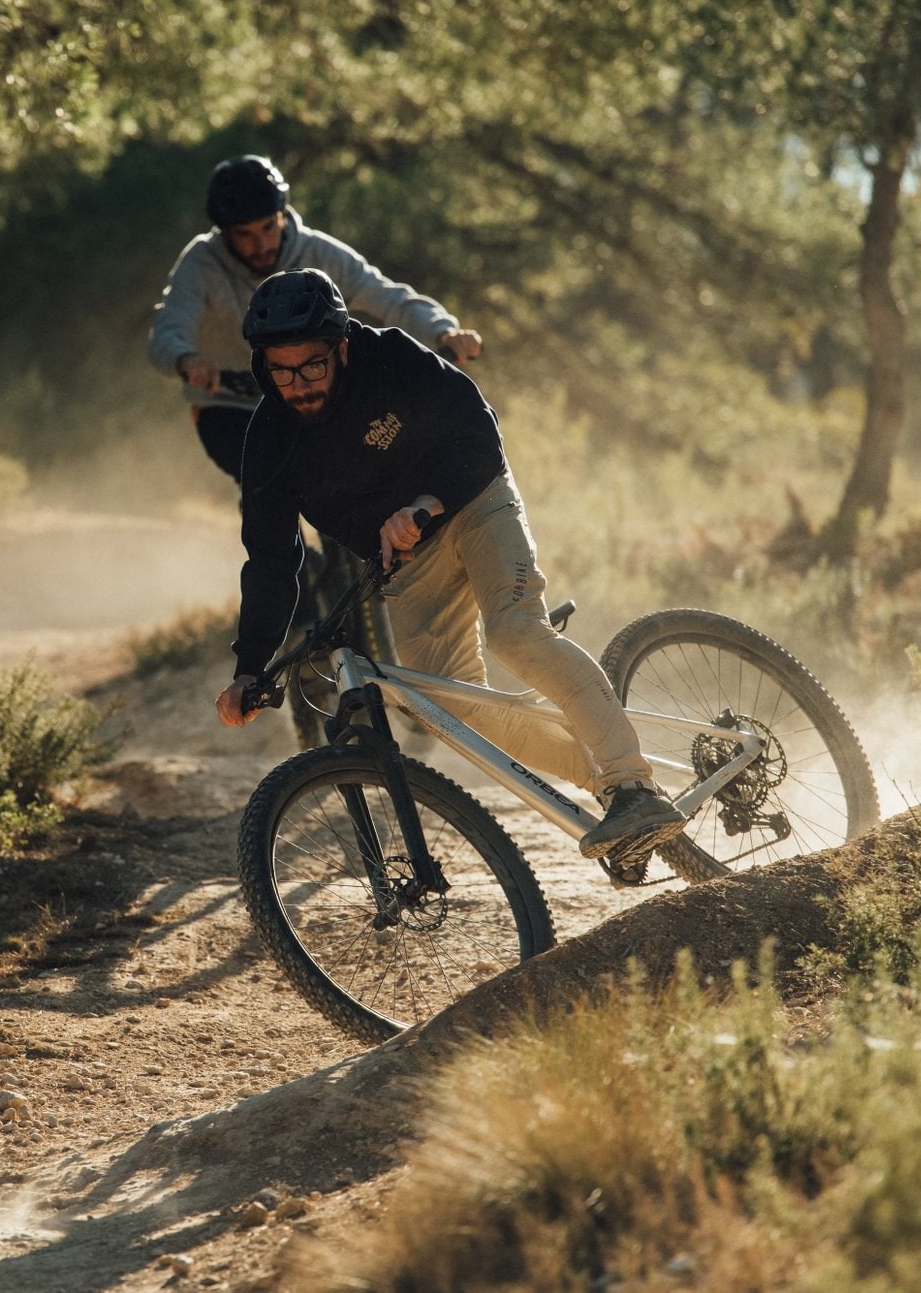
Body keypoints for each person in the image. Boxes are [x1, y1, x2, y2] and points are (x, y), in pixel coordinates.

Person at [212, 269, 690, 882]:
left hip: (472, 502)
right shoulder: (269, 441)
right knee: (448, 708)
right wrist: (250, 665)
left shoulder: (390, 358)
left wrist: (423, 505)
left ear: (342, 348)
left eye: (312, 367)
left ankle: (633, 784)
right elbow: (272, 560)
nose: (298, 385)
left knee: (517, 634)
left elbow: (480, 437)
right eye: (281, 371)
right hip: (407, 561)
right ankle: (613, 792)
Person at [148, 154, 485, 482]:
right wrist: (186, 359)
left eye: (268, 227)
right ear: (224, 232)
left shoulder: (319, 253)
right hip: (229, 404)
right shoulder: (200, 264)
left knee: (352, 477)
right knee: (269, 481)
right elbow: (167, 332)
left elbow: (390, 299)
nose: (261, 244)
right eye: (245, 234)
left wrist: (444, 332)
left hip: (310, 394)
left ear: (282, 214)